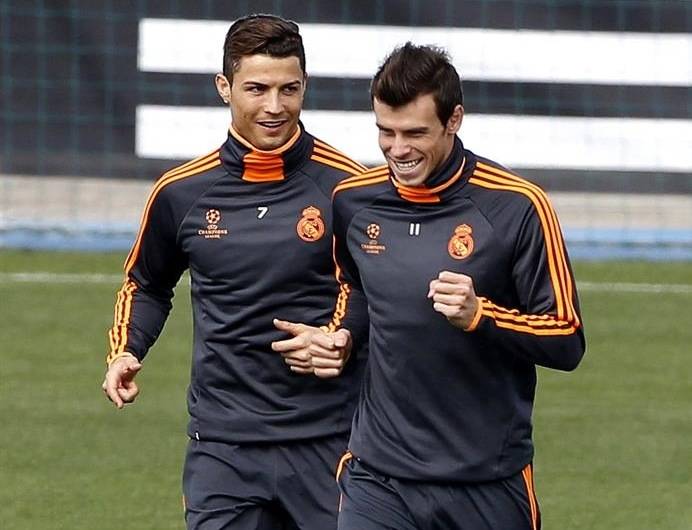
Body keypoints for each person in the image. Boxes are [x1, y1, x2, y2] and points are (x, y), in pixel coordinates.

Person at [101, 14, 366, 530]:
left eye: (289, 89)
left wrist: (342, 339)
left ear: (305, 85)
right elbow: (146, 283)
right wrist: (128, 351)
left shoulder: (348, 189)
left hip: (330, 441)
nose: (274, 107)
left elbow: (377, 291)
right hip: (223, 447)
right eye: (256, 89)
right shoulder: (181, 193)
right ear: (224, 87)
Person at [327, 43, 586, 529]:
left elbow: (567, 338)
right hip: (377, 477)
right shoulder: (353, 202)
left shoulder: (517, 207)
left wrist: (481, 316)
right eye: (386, 131)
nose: (397, 150)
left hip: (485, 483)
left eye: (415, 133)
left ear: (454, 120)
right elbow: (355, 289)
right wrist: (341, 336)